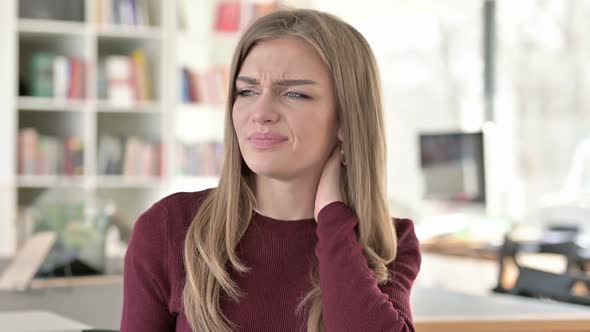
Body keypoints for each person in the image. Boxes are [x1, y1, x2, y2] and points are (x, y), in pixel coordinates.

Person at [120, 8, 421, 332]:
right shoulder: (168, 228)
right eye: (246, 91)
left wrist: (334, 218)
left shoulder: (388, 242)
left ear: (347, 119)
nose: (260, 112)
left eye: (294, 93)